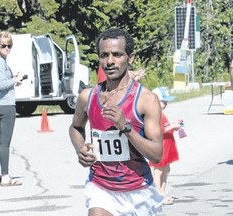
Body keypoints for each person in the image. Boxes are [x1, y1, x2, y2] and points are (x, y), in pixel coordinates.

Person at [69, 28, 164, 215]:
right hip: (100, 187)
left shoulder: (146, 99)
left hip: (138, 190)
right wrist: (80, 148)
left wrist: (125, 127)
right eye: (104, 55)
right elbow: (75, 127)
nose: (110, 61)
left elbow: (157, 155)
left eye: (117, 54)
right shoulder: (87, 97)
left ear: (131, 58)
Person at [0, 31, 23, 186]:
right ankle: (6, 176)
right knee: (4, 143)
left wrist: (11, 79)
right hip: (7, 105)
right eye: (3, 45)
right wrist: (15, 80)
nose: (7, 48)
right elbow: (2, 85)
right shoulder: (1, 62)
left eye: (9, 45)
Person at [149, 87, 181, 205]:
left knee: (166, 169)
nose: (166, 104)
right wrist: (172, 127)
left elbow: (166, 127)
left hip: (167, 145)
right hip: (160, 146)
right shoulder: (155, 114)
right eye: (164, 101)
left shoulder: (161, 114)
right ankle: (157, 195)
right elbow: (158, 131)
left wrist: (173, 125)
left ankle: (162, 192)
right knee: (159, 170)